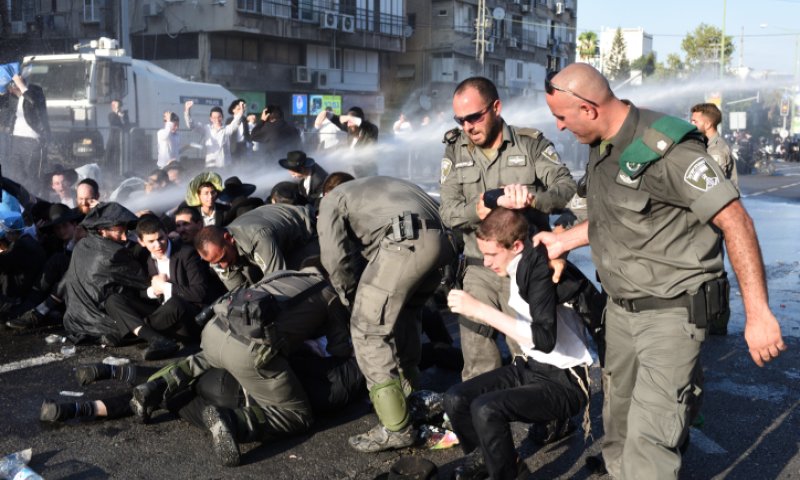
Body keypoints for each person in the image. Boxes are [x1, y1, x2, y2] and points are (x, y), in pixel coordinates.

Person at [538, 63, 786, 479]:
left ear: (589, 108)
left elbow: (736, 220)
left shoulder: (667, 150)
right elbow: (618, 218)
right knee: (617, 431)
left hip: (670, 317)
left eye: (562, 117)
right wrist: (563, 241)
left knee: (650, 445)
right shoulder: (603, 145)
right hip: (620, 313)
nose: (560, 128)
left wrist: (758, 313)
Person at [129, 266, 361, 466]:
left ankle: (154, 387)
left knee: (201, 360)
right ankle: (233, 422)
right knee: (298, 415)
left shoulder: (283, 273)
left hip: (214, 330)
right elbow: (339, 348)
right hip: (249, 352)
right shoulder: (331, 294)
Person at [439, 76, 577, 381]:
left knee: (530, 352)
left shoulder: (530, 143)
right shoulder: (455, 151)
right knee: (477, 358)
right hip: (479, 266)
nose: (467, 127)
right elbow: (447, 212)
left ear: (496, 107)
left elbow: (566, 189)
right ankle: (480, 422)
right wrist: (477, 209)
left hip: (524, 267)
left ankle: (548, 422)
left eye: (474, 117)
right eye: (460, 120)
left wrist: (532, 200)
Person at [444, 206, 592, 480]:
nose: (486, 262)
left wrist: (479, 309)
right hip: (530, 367)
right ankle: (503, 465)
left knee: (487, 409)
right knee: (457, 399)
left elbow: (545, 340)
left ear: (516, 246)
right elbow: (530, 221)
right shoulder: (520, 261)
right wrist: (501, 197)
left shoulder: (537, 270)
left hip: (564, 380)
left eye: (491, 254)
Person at [317, 175, 455, 453]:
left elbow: (334, 257)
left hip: (405, 243)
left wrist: (349, 297)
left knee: (368, 329)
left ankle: (395, 427)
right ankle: (410, 400)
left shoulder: (333, 199)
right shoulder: (383, 184)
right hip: (443, 245)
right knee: (403, 318)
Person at [103, 215, 218, 360]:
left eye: (161, 238)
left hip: (185, 320)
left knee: (175, 303)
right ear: (141, 241)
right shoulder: (142, 257)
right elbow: (139, 292)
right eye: (151, 241)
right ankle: (155, 338)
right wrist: (153, 290)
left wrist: (166, 287)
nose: (158, 245)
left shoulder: (186, 253)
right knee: (113, 299)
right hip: (159, 314)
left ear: (166, 233)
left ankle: (135, 334)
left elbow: (200, 292)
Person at [60, 202, 150, 346]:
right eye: (119, 232)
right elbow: (143, 282)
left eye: (126, 232)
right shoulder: (114, 253)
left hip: (74, 322)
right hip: (102, 324)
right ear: (102, 231)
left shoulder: (81, 246)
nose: (125, 238)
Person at [194, 203, 317, 291]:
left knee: (303, 282)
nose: (223, 265)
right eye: (217, 263)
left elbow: (279, 280)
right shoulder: (217, 255)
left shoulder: (258, 237)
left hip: (305, 232)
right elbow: (237, 291)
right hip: (276, 242)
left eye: (223, 258)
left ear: (228, 238)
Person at [0, 67, 50, 182]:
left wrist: (21, 85)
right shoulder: (13, 97)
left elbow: (35, 103)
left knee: (32, 178)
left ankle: (34, 199)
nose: (10, 90)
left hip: (32, 140)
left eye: (12, 86)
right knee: (16, 177)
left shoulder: (35, 92)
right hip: (15, 140)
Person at [319, 106, 379, 176]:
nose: (348, 124)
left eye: (351, 121)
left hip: (368, 171)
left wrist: (348, 118)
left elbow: (361, 123)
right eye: (348, 122)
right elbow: (336, 120)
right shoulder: (350, 129)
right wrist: (326, 113)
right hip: (354, 170)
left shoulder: (371, 129)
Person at [690, 103, 738, 188]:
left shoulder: (716, 150)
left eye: (695, 121)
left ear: (708, 124)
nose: (691, 124)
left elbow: (713, 184)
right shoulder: (704, 144)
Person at [184, 100, 244, 168]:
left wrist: (241, 112)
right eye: (214, 117)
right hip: (211, 165)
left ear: (222, 117)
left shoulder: (226, 129)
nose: (217, 119)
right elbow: (191, 125)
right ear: (211, 119)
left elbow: (235, 123)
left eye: (219, 117)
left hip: (224, 165)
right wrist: (187, 110)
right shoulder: (207, 129)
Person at [106, 99, 130, 167]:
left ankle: (119, 167)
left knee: (120, 153)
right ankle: (108, 167)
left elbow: (127, 124)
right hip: (112, 137)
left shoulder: (124, 115)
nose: (113, 106)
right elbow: (113, 122)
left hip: (121, 138)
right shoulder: (111, 115)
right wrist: (116, 113)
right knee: (109, 153)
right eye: (112, 105)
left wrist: (121, 116)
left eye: (115, 105)